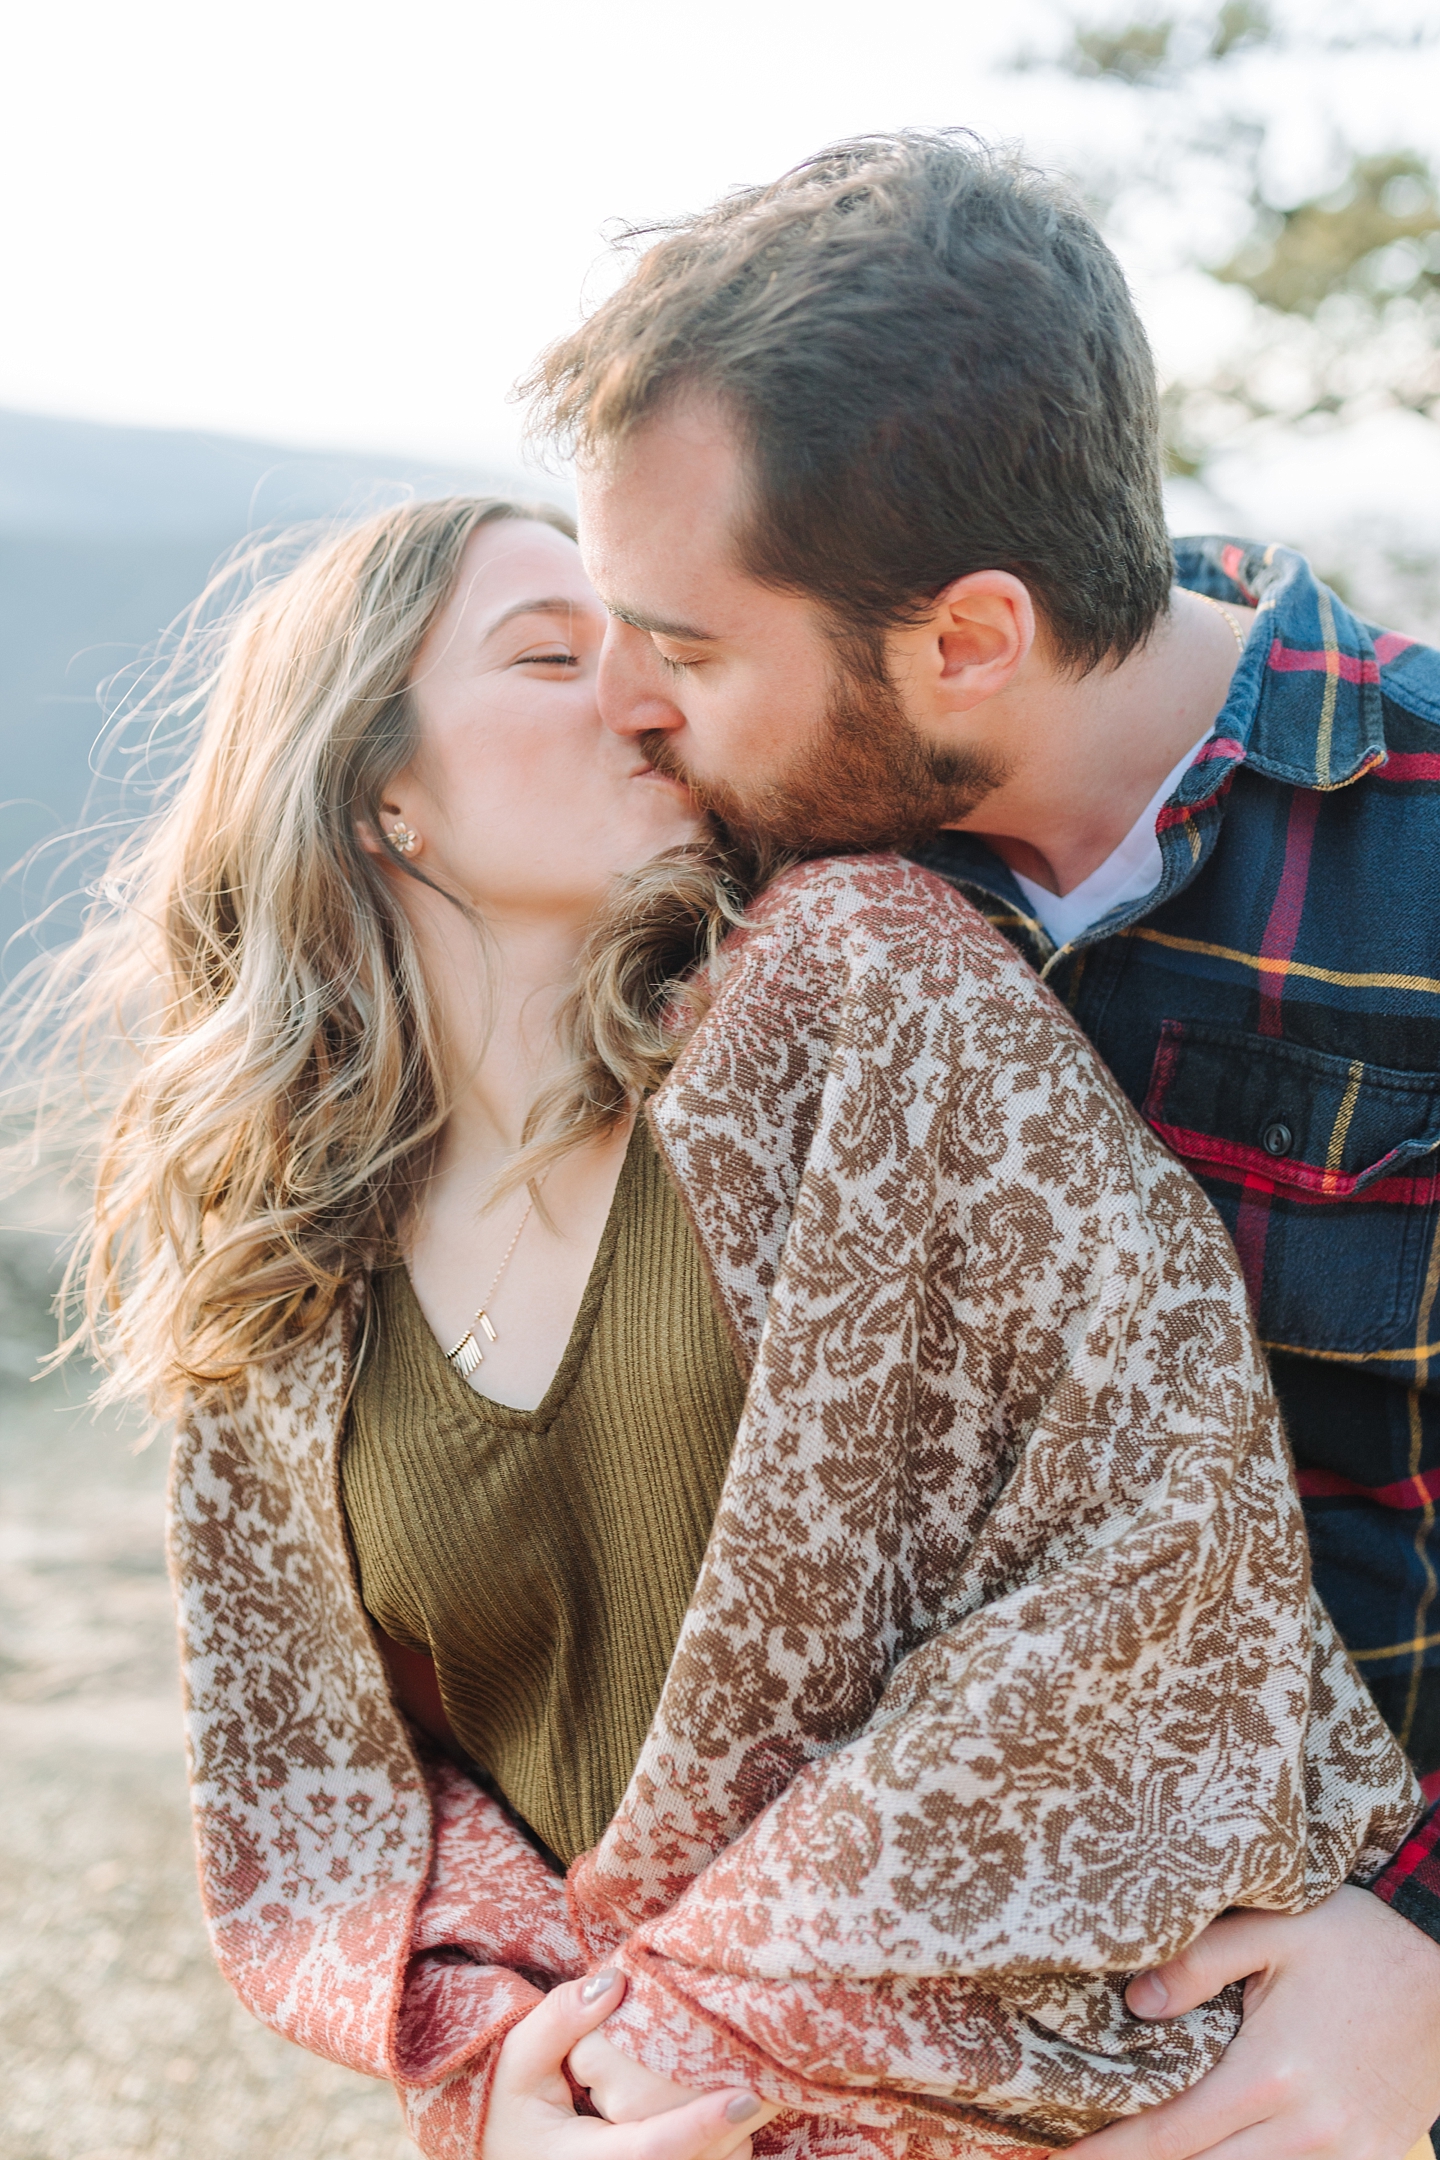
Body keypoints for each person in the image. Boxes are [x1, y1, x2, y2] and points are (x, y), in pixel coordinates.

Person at [17, 493, 1419, 2160]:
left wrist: (678, 2019)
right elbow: (323, 1808)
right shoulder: (286, 1282)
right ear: (377, 787)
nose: (638, 693)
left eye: (651, 644)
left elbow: (1160, 1547)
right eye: (551, 653)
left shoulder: (855, 990)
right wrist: (504, 2080)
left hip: (1066, 2102)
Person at [523, 126, 1440, 2160]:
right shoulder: (730, 891)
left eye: (684, 645)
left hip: (1299, 2046)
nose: (635, 709)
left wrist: (1434, 1981)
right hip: (803, 2028)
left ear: (965, 643)